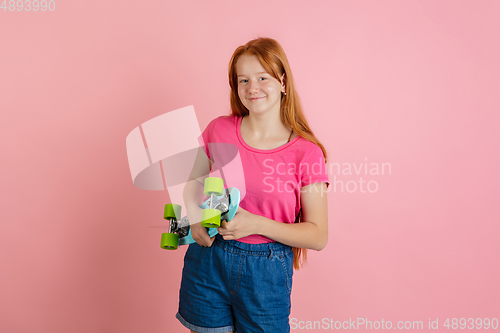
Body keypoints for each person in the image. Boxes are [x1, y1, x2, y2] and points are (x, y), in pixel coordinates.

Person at [176, 37, 330, 333]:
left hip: (266, 273)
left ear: (283, 82)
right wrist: (195, 219)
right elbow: (192, 184)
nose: (252, 88)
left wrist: (255, 224)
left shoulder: (306, 153)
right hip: (208, 261)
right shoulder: (218, 129)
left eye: (262, 77)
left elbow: (318, 235)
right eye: (243, 80)